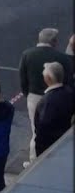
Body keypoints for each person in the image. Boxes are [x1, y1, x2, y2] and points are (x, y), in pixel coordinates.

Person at [19, 28, 74, 160]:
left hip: (34, 96)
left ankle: (34, 161)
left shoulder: (27, 54)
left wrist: (28, 93)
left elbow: (23, 78)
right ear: (54, 41)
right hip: (60, 97)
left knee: (35, 131)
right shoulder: (63, 58)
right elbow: (68, 80)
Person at [34, 62, 75, 158]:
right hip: (65, 141)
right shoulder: (69, 92)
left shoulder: (47, 101)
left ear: (48, 78)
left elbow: (42, 129)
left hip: (49, 148)